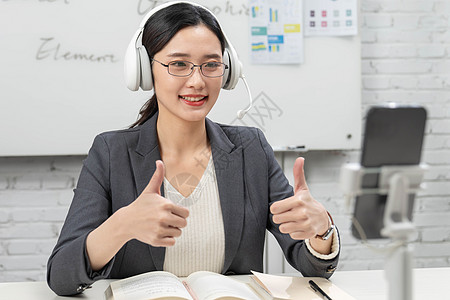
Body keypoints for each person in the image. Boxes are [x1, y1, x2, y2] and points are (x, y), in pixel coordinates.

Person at [47, 1, 340, 296]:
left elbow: (312, 265)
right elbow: (61, 276)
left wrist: (321, 230)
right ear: (145, 71)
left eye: (211, 64)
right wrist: (122, 225)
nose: (197, 81)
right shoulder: (111, 152)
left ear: (227, 72)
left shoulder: (250, 149)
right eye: (178, 64)